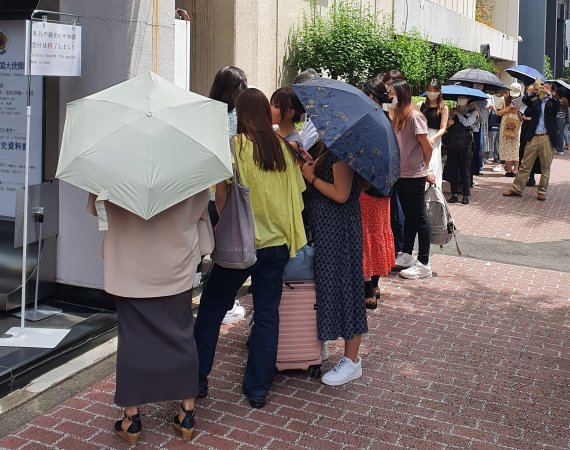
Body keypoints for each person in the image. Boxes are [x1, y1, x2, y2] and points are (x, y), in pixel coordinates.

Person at [194, 88, 306, 409]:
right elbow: (294, 196)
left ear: (241, 115)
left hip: (241, 245)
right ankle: (258, 389)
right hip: (277, 246)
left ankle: (198, 380)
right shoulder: (285, 149)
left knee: (212, 309)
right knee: (268, 314)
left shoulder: (236, 147)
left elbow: (221, 198)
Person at [87, 190, 212, 445]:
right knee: (181, 332)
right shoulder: (189, 162)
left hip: (128, 260)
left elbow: (96, 208)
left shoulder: (113, 164)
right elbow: (200, 210)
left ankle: (131, 419)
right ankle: (187, 412)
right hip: (176, 261)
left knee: (132, 337)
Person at [301, 139, 367, 385]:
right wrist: (311, 162)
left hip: (339, 234)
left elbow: (341, 194)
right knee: (328, 288)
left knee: (346, 289)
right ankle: (328, 342)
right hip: (329, 233)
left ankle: (351, 360)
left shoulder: (343, 153)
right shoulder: (332, 149)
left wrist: (312, 177)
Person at [390, 79, 433, 279]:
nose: (389, 97)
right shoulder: (399, 116)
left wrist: (424, 168)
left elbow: (428, 146)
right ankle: (407, 253)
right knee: (409, 215)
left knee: (420, 218)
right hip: (401, 173)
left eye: (392, 93)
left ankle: (424, 262)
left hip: (414, 174)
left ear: (401, 94)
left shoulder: (415, 117)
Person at [360, 76, 395, 309]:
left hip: (368, 188)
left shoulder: (369, 121)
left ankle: (368, 289)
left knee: (367, 237)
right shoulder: (386, 120)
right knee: (379, 233)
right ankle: (375, 283)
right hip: (384, 189)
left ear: (371, 97)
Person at [503, 81, 561, 201]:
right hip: (533, 136)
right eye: (542, 87)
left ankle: (542, 191)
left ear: (552, 91)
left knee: (546, 166)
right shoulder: (536, 101)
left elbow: (557, 106)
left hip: (547, 137)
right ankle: (516, 189)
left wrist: (549, 95)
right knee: (525, 164)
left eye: (546, 88)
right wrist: (534, 91)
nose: (543, 89)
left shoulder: (552, 102)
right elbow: (525, 100)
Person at [382, 70, 406, 259]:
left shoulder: (408, 113)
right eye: (388, 85)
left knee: (399, 208)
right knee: (390, 209)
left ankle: (400, 247)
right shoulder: (386, 108)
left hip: (402, 166)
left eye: (393, 86)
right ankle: (394, 247)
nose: (390, 91)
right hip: (386, 163)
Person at [443, 95, 479, 205]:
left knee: (465, 170)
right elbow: (445, 126)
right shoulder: (452, 110)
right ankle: (454, 194)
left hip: (465, 145)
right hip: (453, 144)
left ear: (468, 99)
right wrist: (449, 121)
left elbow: (467, 123)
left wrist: (458, 115)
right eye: (459, 98)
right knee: (453, 169)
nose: (460, 100)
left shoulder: (474, 112)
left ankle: (466, 194)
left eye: (463, 98)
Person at [419, 79, 448, 189]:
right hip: (422, 136)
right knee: (422, 162)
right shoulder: (421, 105)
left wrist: (433, 138)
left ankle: (434, 190)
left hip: (434, 138)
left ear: (439, 91)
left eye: (434, 90)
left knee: (433, 163)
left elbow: (443, 128)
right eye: (429, 90)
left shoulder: (443, 108)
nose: (431, 93)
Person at [270, 86, 306, 156]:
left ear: (290, 113)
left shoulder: (292, 144)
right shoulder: (275, 131)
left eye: (276, 106)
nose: (270, 108)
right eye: (271, 104)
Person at [497, 82, 523, 177]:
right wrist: (506, 110)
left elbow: (523, 115)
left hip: (517, 125)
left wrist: (517, 111)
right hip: (505, 125)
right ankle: (509, 167)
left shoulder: (522, 100)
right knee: (506, 145)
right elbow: (498, 113)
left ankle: (516, 168)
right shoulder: (503, 99)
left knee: (516, 145)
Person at [292, 68, 320, 151]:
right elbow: (304, 135)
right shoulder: (311, 112)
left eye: (298, 93)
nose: (297, 98)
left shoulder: (319, 114)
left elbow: (306, 146)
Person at [554, 86, 569, 155]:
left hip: (558, 119)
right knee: (561, 135)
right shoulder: (566, 100)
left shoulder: (559, 101)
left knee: (555, 134)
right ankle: (560, 150)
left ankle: (554, 148)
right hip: (563, 119)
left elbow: (555, 110)